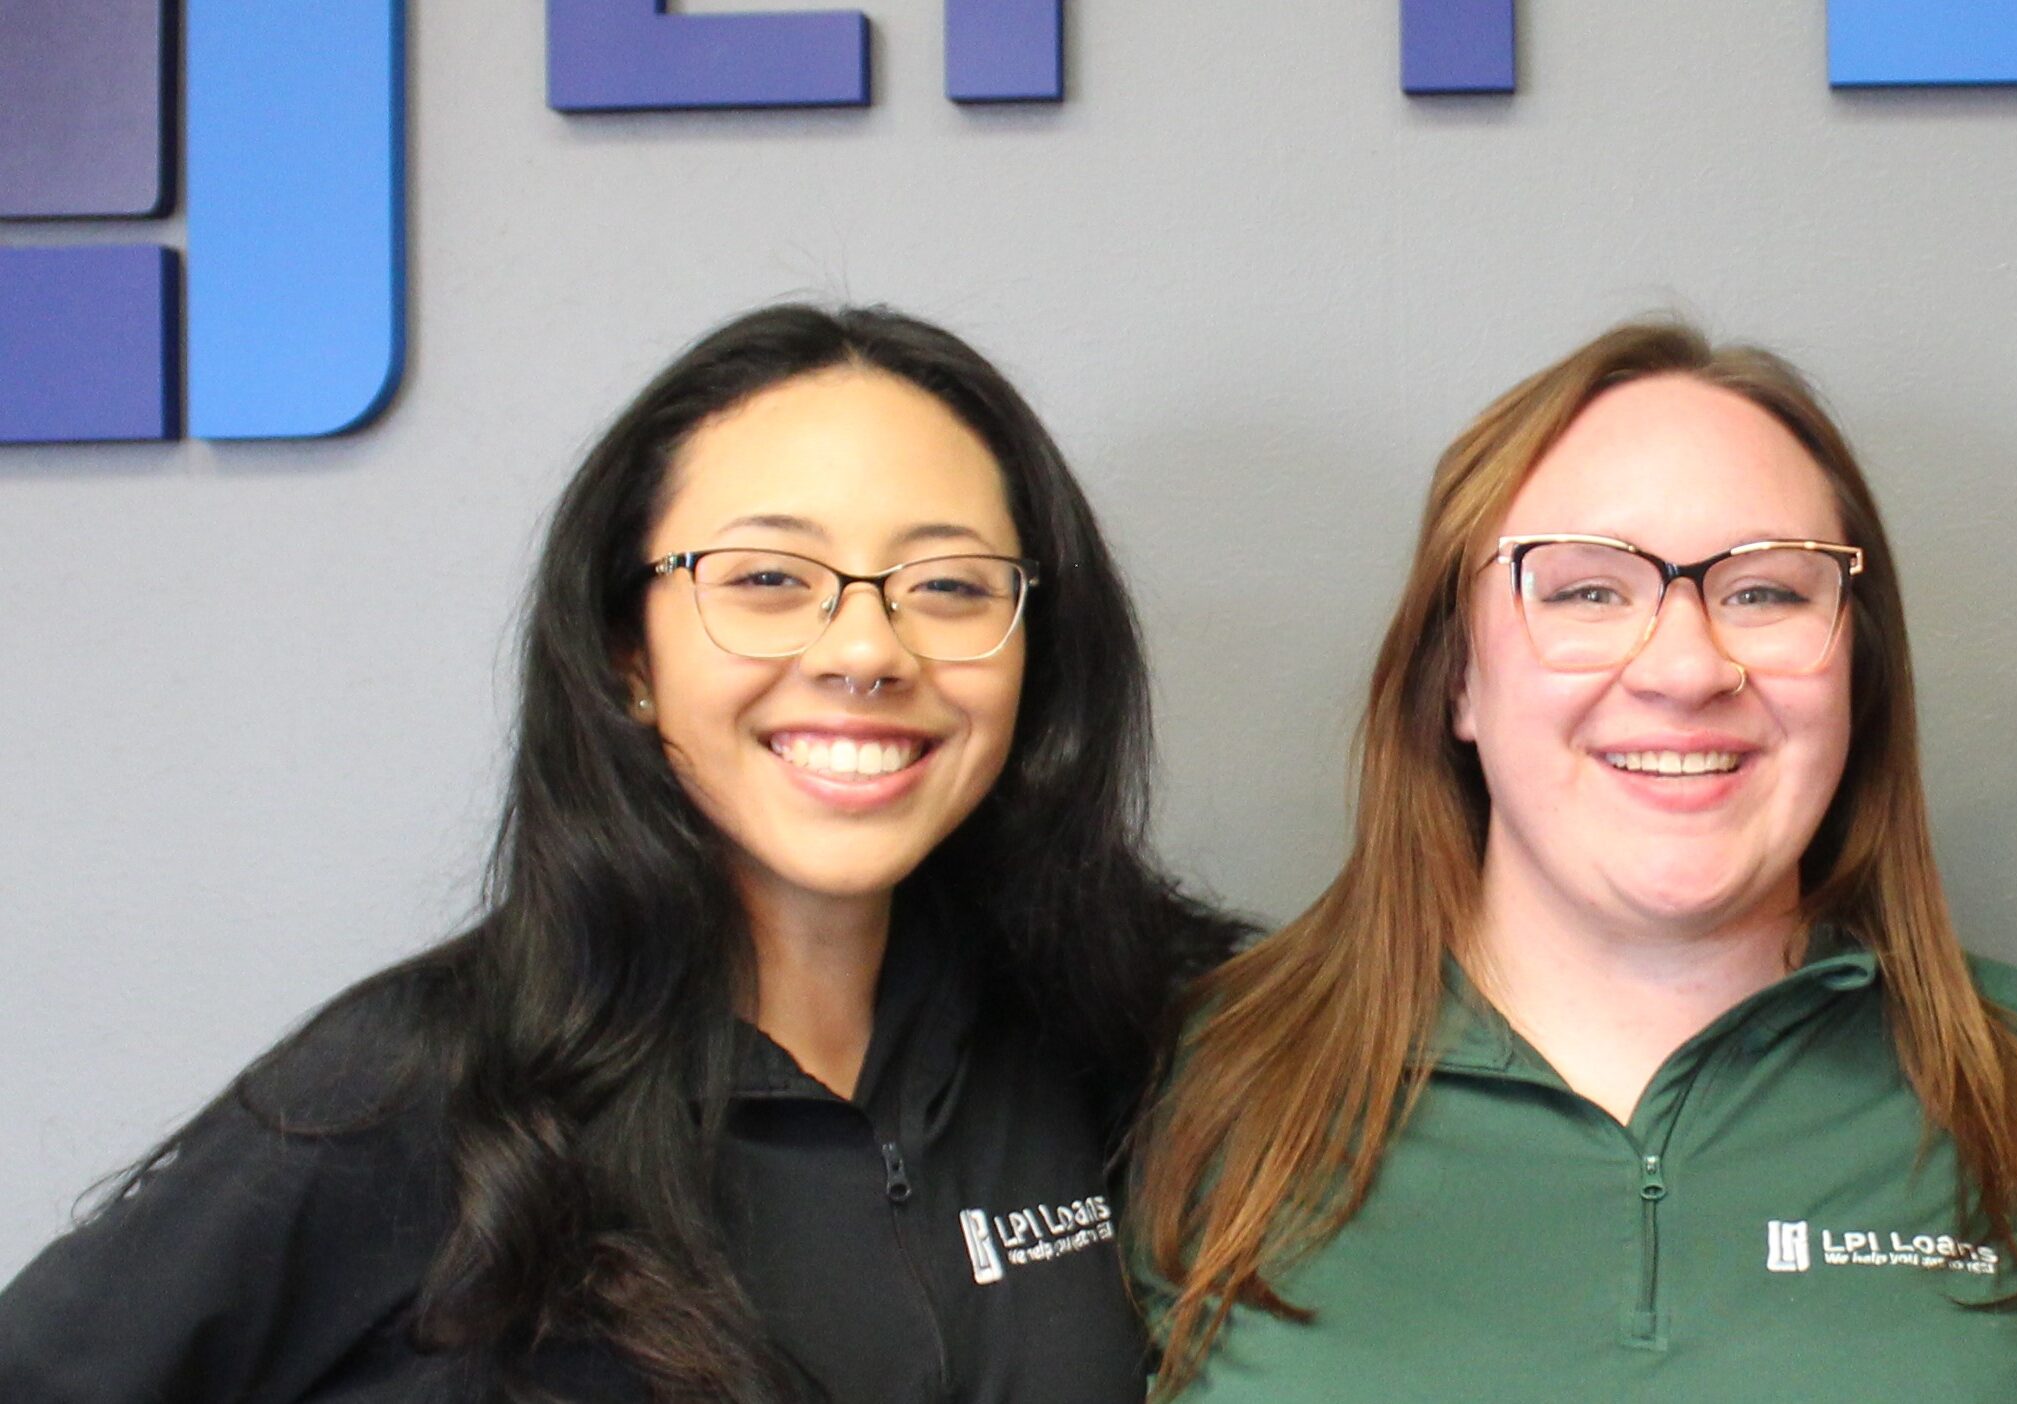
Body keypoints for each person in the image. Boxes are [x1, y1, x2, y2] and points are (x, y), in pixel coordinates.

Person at [0, 304, 1242, 1403]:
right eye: (767, 577)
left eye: (952, 587)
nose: (867, 649)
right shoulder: (420, 1090)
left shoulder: (1119, 1045)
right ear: (626, 657)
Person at [1134, 320, 2017, 1402]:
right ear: (1456, 679)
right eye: (1588, 591)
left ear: (1856, 674)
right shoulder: (1205, 1083)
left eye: (1765, 592)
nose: (1687, 669)